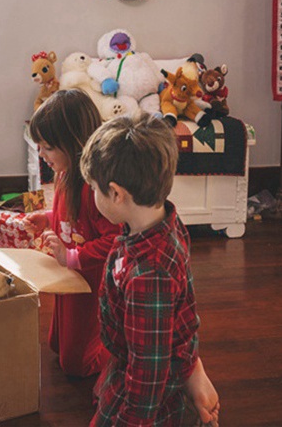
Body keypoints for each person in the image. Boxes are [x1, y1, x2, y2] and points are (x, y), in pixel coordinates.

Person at [80, 114, 220, 426]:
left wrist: (131, 422)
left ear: (116, 194)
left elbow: (148, 371)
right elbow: (182, 315)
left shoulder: (149, 275)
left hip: (144, 393)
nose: (92, 193)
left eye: (93, 187)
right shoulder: (162, 220)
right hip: (132, 362)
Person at [24, 89, 122, 378]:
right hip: (68, 275)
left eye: (47, 147)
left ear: (74, 144)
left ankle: (121, 353)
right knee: (55, 344)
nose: (41, 153)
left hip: (89, 283)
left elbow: (115, 239)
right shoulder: (66, 174)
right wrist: (48, 218)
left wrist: (73, 257)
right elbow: (76, 221)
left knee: (77, 365)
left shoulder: (93, 189)